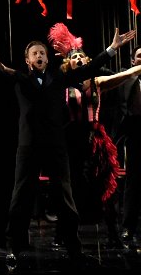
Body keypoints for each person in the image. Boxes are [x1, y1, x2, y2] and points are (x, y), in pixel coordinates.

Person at [0, 27, 137, 270]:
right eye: (35, 53)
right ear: (28, 60)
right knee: (24, 195)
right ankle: (17, 246)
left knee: (71, 194)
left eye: (42, 53)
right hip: (42, 143)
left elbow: (91, 70)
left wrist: (112, 49)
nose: (39, 56)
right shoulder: (30, 79)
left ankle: (80, 245)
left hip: (67, 143)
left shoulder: (65, 79)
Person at [49, 25, 141, 249]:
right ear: (68, 63)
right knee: (69, 187)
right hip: (72, 138)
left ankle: (113, 233)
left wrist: (137, 66)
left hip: (95, 137)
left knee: (106, 186)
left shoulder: (96, 81)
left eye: (82, 56)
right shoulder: (63, 83)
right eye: (74, 57)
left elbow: (123, 75)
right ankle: (63, 233)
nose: (79, 59)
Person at [122, 45, 141, 245]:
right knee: (133, 181)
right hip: (135, 132)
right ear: (133, 61)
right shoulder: (126, 79)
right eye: (139, 56)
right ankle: (128, 227)